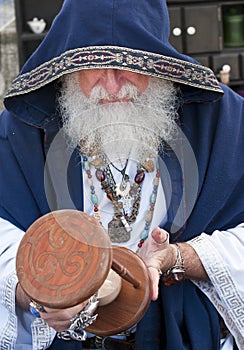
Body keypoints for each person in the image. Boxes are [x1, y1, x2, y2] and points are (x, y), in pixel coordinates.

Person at [0, 0, 243, 349]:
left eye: (130, 65)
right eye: (94, 66)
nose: (112, 88)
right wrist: (37, 290)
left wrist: (181, 258)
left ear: (159, 64)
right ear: (67, 67)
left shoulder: (224, 124)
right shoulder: (22, 133)